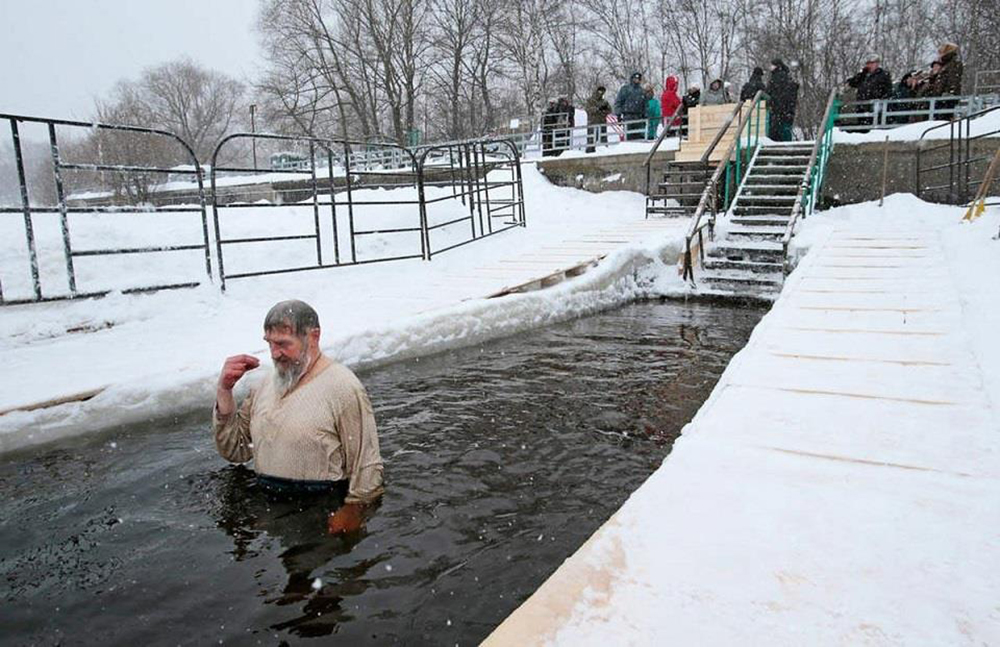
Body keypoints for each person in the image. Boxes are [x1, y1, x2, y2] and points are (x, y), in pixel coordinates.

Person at [213, 299, 384, 535]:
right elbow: (236, 449)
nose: (275, 354)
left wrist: (354, 509)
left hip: (320, 507)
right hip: (268, 504)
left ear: (313, 337)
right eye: (269, 343)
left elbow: (366, 461)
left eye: (283, 344)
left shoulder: (343, 387)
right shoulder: (264, 385)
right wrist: (224, 391)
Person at [846, 55, 892, 129]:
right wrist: (861, 74)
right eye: (867, 63)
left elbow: (888, 90)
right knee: (863, 126)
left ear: (876, 64)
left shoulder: (883, 75)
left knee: (875, 125)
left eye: (871, 63)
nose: (869, 65)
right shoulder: (863, 75)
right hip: (862, 106)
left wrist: (880, 99)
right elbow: (852, 83)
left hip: (875, 105)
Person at [766, 58, 799, 141]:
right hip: (787, 108)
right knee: (785, 129)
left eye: (772, 65)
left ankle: (774, 143)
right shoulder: (788, 77)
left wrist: (770, 102)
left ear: (777, 66)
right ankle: (786, 144)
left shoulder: (774, 78)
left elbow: (768, 91)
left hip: (776, 107)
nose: (770, 67)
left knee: (775, 129)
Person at [615, 71, 647, 140]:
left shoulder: (642, 91)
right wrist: (618, 115)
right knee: (629, 137)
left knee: (640, 137)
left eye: (638, 79)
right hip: (628, 116)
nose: (636, 80)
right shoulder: (625, 89)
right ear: (632, 79)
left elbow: (645, 104)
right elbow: (618, 102)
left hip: (639, 117)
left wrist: (645, 115)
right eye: (635, 78)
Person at [584, 85, 612, 153]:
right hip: (593, 122)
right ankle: (590, 152)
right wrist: (598, 109)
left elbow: (610, 110)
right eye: (600, 91)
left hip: (602, 122)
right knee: (591, 139)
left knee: (603, 138)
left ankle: (604, 150)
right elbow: (588, 109)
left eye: (602, 91)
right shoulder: (590, 100)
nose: (601, 92)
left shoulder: (604, 101)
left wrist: (603, 110)